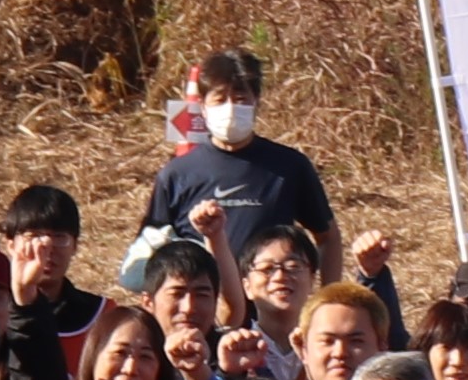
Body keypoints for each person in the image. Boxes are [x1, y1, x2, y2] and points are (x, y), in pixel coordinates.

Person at [141, 49, 340, 274]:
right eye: (219, 100)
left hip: (270, 293)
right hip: (203, 295)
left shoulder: (290, 166)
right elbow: (150, 252)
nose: (230, 108)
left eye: (240, 99)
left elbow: (328, 237)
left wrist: (328, 294)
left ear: (256, 102)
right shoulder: (177, 174)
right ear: (203, 107)